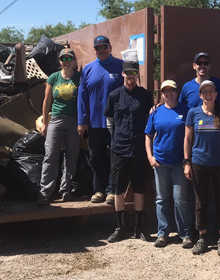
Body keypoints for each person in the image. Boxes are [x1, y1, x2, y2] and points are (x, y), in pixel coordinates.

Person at [104, 61, 153, 243]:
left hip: (139, 149)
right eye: (127, 74)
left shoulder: (145, 96)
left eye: (133, 74)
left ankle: (139, 228)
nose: (130, 77)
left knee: (139, 188)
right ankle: (120, 227)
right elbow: (109, 120)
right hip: (119, 149)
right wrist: (116, 137)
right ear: (123, 74)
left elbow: (151, 118)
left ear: (137, 75)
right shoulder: (114, 95)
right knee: (118, 189)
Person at [184, 80, 220, 256]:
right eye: (204, 92)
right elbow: (188, 139)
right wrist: (187, 162)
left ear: (216, 94)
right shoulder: (193, 113)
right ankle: (202, 237)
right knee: (201, 202)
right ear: (200, 95)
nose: (208, 94)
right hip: (199, 163)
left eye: (211, 91)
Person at [145, 80, 194, 249]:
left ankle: (185, 234)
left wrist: (188, 161)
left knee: (180, 199)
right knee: (161, 199)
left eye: (172, 91)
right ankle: (162, 233)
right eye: (165, 91)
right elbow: (148, 136)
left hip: (180, 163)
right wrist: (150, 157)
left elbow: (191, 136)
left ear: (176, 92)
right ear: (162, 94)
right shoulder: (156, 112)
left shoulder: (185, 111)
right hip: (160, 163)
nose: (169, 94)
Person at [77, 35, 123, 204]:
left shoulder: (120, 66)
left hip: (115, 122)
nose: (101, 50)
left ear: (110, 47)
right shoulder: (88, 69)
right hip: (94, 122)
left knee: (114, 156)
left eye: (104, 47)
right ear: (94, 50)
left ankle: (112, 190)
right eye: (98, 48)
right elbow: (81, 97)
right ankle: (98, 190)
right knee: (95, 157)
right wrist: (81, 121)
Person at [36, 48, 81, 205]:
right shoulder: (54, 78)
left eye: (69, 58)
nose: (66, 61)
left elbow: (83, 101)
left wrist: (83, 122)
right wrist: (45, 123)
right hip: (56, 119)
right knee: (50, 155)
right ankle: (45, 192)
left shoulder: (79, 78)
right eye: (63, 59)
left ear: (74, 61)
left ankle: (65, 190)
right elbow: (47, 101)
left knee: (71, 156)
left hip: (74, 120)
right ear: (60, 61)